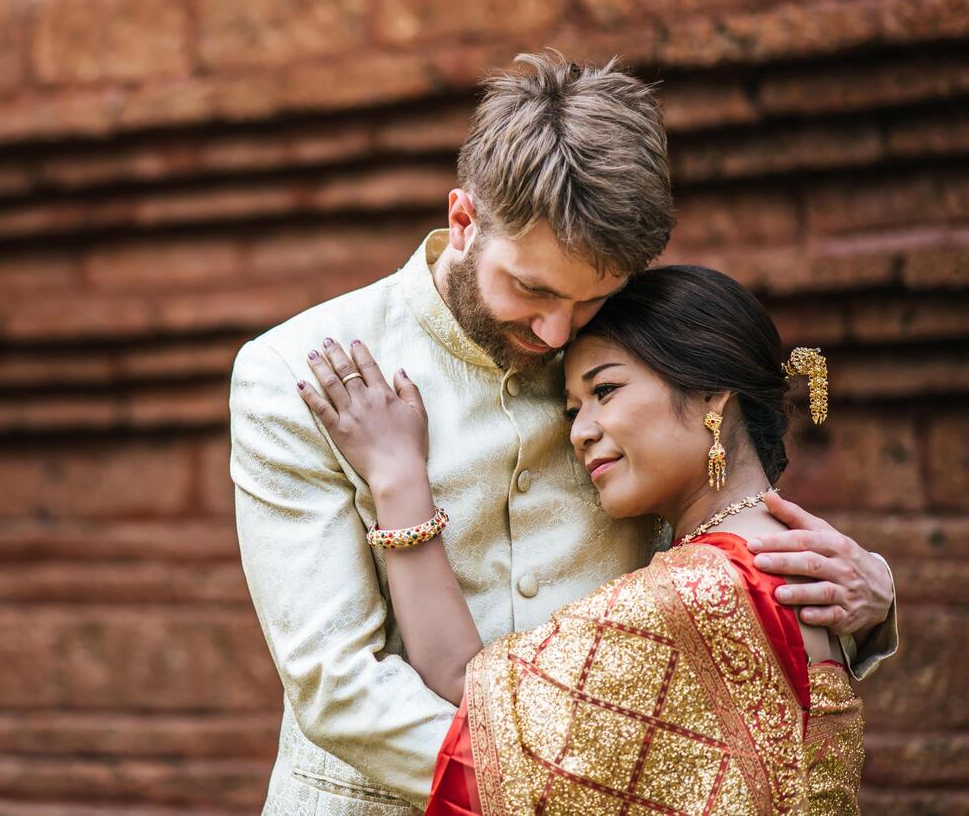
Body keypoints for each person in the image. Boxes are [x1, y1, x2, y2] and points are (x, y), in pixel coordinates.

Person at [228, 51, 897, 813]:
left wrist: (867, 600)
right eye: (530, 289)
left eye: (587, 301)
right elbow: (336, 684)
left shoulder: (621, 353)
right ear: (462, 221)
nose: (553, 332)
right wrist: (566, 791)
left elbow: (718, 518)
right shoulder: (293, 370)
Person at [298, 265, 865, 813]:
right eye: (572, 409)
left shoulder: (700, 591)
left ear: (713, 391)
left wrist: (398, 480)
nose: (580, 431)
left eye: (607, 390)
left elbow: (473, 703)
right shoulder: (808, 568)